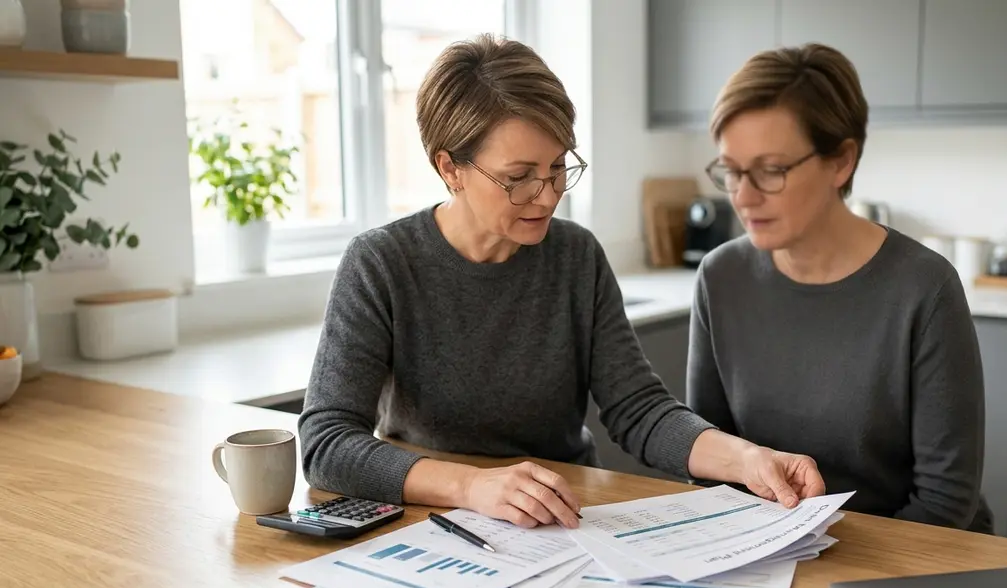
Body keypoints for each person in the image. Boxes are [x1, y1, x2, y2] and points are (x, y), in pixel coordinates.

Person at [298, 33, 826, 531]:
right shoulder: (382, 264)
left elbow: (638, 410)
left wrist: (746, 457)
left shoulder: (575, 255)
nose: (548, 195)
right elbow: (325, 444)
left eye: (557, 167)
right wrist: (473, 486)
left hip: (562, 516)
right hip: (435, 518)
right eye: (519, 176)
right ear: (449, 168)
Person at [687, 43, 993, 533]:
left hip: (908, 555)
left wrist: (821, 565)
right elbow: (710, 456)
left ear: (841, 161)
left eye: (771, 170)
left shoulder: (925, 288)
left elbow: (945, 502)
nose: (743, 196)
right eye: (732, 171)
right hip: (770, 552)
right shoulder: (720, 276)